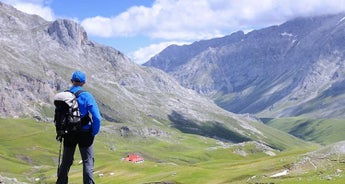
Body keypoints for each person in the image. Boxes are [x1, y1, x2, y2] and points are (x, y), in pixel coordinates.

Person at [56, 70, 102, 184]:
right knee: (87, 162)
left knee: (66, 161)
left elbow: (59, 115)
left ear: (71, 81)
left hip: (69, 132)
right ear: (84, 82)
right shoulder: (86, 96)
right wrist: (93, 132)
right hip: (85, 132)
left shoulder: (64, 96)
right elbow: (97, 117)